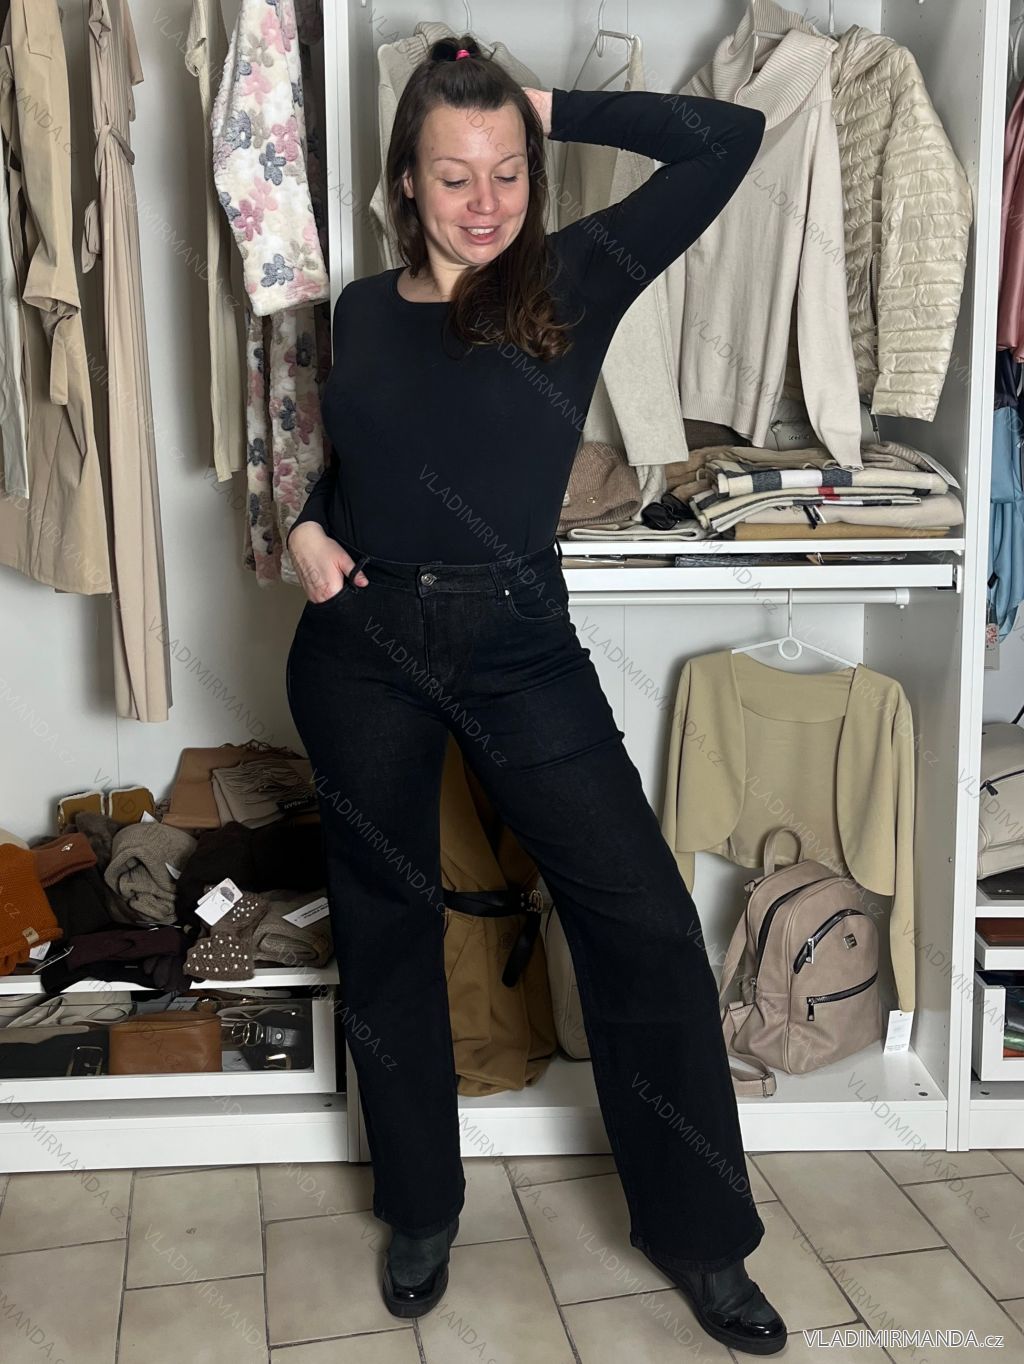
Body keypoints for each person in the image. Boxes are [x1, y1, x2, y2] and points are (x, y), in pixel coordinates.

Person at [285, 34, 784, 1356]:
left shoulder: (573, 277)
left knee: (642, 922)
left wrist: (549, 103)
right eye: (454, 175)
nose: (485, 201)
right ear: (406, 179)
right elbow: (358, 467)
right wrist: (307, 528)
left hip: (516, 641)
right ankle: (420, 1208)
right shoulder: (358, 313)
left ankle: (701, 1237)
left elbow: (726, 140)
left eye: (508, 169)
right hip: (363, 646)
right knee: (387, 927)